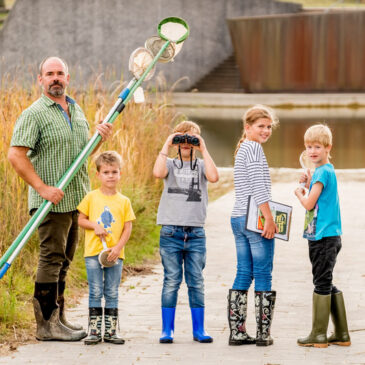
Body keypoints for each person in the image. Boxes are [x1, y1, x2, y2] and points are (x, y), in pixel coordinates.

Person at [8, 56, 113, 341]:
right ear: (40, 80)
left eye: (60, 73)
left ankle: (59, 319)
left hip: (76, 200)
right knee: (51, 258)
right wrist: (42, 188)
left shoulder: (76, 110)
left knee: (65, 261)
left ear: (68, 77)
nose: (56, 78)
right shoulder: (34, 113)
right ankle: (45, 326)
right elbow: (15, 155)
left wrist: (98, 139)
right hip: (49, 203)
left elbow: (79, 157)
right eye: (49, 73)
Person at [153, 120, 219, 344]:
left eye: (191, 139)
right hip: (171, 231)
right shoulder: (170, 163)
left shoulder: (201, 165)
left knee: (196, 281)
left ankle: (199, 329)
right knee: (171, 280)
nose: (186, 143)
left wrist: (204, 148)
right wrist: (167, 144)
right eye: (181, 138)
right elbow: (157, 172)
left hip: (196, 233)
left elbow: (214, 177)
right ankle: (167, 329)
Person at [294, 124, 351, 348]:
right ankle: (342, 333)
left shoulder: (321, 172)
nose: (312, 151)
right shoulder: (327, 170)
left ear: (328, 147)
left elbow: (309, 203)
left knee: (321, 282)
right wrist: (309, 184)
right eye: (309, 147)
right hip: (329, 235)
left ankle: (318, 335)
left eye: (317, 146)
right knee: (326, 281)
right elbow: (320, 197)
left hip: (323, 237)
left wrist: (300, 192)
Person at [228, 105, 278, 347]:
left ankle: (237, 333)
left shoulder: (242, 149)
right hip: (254, 219)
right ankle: (262, 334)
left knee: (243, 273)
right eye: (261, 126)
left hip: (238, 218)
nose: (266, 131)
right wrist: (268, 217)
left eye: (269, 127)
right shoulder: (254, 148)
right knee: (263, 273)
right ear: (247, 128)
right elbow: (258, 186)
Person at [77, 151, 135, 345]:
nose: (110, 176)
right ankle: (94, 331)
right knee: (95, 290)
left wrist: (118, 248)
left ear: (120, 174)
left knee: (111, 290)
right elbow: (81, 220)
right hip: (94, 253)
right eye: (106, 172)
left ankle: (110, 331)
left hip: (115, 254)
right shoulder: (91, 197)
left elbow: (128, 227)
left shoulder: (124, 201)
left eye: (114, 172)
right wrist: (95, 226)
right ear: (98, 175)